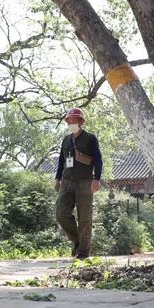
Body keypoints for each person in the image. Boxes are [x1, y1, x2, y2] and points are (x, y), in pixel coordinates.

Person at [54, 107, 102, 259]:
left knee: (85, 219)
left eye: (74, 120)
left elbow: (98, 160)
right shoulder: (66, 140)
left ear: (81, 121)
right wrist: (57, 178)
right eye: (69, 120)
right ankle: (77, 240)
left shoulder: (90, 138)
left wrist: (97, 179)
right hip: (67, 182)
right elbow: (61, 160)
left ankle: (82, 253)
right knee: (60, 212)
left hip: (85, 182)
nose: (71, 122)